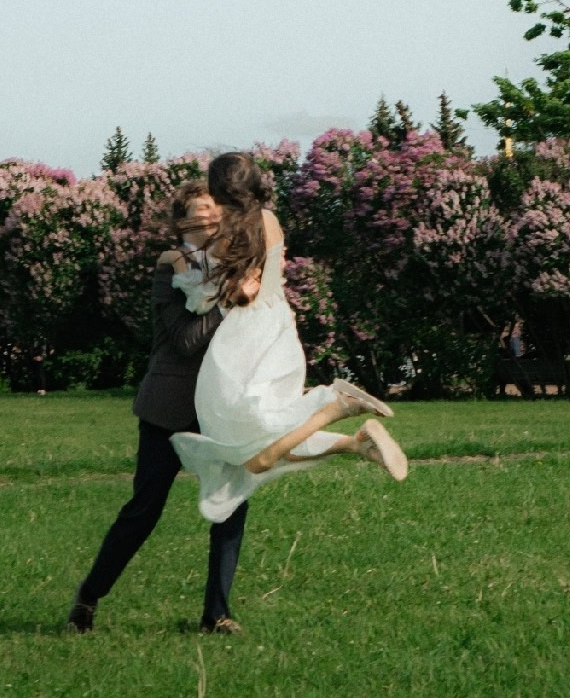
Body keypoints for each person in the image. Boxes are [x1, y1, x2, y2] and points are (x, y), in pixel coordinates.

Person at [170, 153, 407, 531]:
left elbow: (207, 299)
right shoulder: (269, 221)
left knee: (244, 445)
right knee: (264, 435)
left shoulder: (226, 234)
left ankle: (335, 408)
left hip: (242, 339)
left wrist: (184, 268)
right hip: (278, 330)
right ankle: (356, 441)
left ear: (218, 190)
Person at [69, 180, 248, 635]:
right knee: (144, 511)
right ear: (181, 223)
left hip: (218, 411)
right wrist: (230, 298)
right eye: (197, 213)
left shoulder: (236, 267)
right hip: (168, 408)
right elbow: (187, 342)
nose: (208, 219)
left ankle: (217, 615)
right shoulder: (169, 268)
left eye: (213, 211)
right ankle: (88, 597)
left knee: (230, 508)